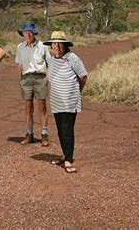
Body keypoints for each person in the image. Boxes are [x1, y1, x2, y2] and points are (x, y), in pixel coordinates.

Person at [44, 31, 87, 173]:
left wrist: (76, 92)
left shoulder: (72, 58)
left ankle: (69, 159)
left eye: (59, 44)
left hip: (70, 102)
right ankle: (64, 155)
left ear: (65, 45)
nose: (56, 47)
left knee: (67, 130)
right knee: (60, 131)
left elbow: (83, 76)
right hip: (56, 102)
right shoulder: (50, 60)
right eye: (53, 44)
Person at [15, 22, 51, 146]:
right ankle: (29, 134)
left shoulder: (43, 46)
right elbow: (19, 65)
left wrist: (48, 78)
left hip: (40, 78)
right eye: (26, 32)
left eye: (30, 32)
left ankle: (44, 134)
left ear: (34, 33)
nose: (28, 34)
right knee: (28, 108)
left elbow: (49, 63)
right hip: (26, 78)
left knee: (42, 107)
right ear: (23, 34)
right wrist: (20, 81)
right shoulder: (20, 47)